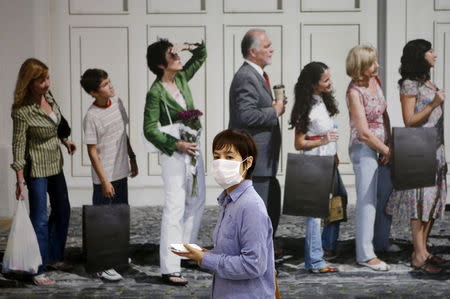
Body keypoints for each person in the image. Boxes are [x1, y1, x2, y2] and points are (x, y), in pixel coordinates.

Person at [173, 129, 276, 299]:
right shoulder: (229, 201)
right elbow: (233, 252)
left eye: (229, 157)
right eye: (217, 156)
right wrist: (205, 254)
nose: (221, 163)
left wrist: (207, 260)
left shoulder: (251, 206)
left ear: (248, 162)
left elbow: (253, 265)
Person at [144, 39, 206, 285]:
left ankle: (186, 252)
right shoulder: (155, 92)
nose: (177, 56)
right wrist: (176, 144)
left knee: (197, 198)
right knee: (175, 207)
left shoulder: (181, 78)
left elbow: (202, 55)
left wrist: (188, 46)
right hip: (174, 154)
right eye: (172, 54)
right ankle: (170, 268)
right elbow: (149, 129)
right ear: (161, 64)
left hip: (193, 149)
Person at [11, 58, 76, 285]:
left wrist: (64, 141)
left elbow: (54, 124)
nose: (47, 84)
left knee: (63, 210)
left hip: (55, 165)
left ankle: (53, 256)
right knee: (39, 219)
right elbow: (18, 146)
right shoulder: (21, 111)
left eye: (47, 78)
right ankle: (37, 270)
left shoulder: (48, 98)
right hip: (36, 169)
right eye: (41, 81)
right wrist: (20, 181)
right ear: (29, 83)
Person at [386, 39, 447, 274]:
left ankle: (422, 251)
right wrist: (433, 104)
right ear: (420, 56)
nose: (435, 54)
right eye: (430, 51)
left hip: (436, 149)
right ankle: (419, 255)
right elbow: (409, 120)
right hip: (419, 149)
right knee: (419, 203)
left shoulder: (426, 81)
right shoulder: (409, 85)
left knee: (432, 203)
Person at [80, 68, 138, 281]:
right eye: (105, 85)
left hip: (121, 170)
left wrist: (132, 157)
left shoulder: (119, 103)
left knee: (120, 217)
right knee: (103, 221)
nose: (110, 86)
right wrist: (104, 181)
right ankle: (101, 265)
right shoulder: (91, 117)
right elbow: (92, 152)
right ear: (94, 93)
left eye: (109, 81)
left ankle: (117, 256)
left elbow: (124, 133)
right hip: (104, 176)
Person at [228, 29, 284, 235]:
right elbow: (245, 116)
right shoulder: (246, 77)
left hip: (263, 162)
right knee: (256, 215)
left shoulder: (256, 75)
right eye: (267, 46)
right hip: (255, 160)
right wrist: (274, 111)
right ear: (253, 52)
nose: (272, 49)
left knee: (267, 207)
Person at [290, 61, 344, 273]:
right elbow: (299, 143)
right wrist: (324, 141)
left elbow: (329, 130)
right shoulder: (306, 107)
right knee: (314, 215)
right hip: (314, 162)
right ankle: (315, 260)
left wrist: (335, 153)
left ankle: (327, 246)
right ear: (313, 84)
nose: (330, 83)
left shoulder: (323, 100)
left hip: (328, 161)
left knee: (339, 200)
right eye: (326, 80)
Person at [345, 45, 394, 271]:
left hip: (383, 146)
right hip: (364, 148)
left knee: (384, 195)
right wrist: (385, 150)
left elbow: (384, 113)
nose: (377, 66)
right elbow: (363, 132)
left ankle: (381, 243)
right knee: (367, 201)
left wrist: (390, 142)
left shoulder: (376, 82)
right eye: (373, 63)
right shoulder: (354, 92)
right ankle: (365, 254)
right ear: (361, 67)